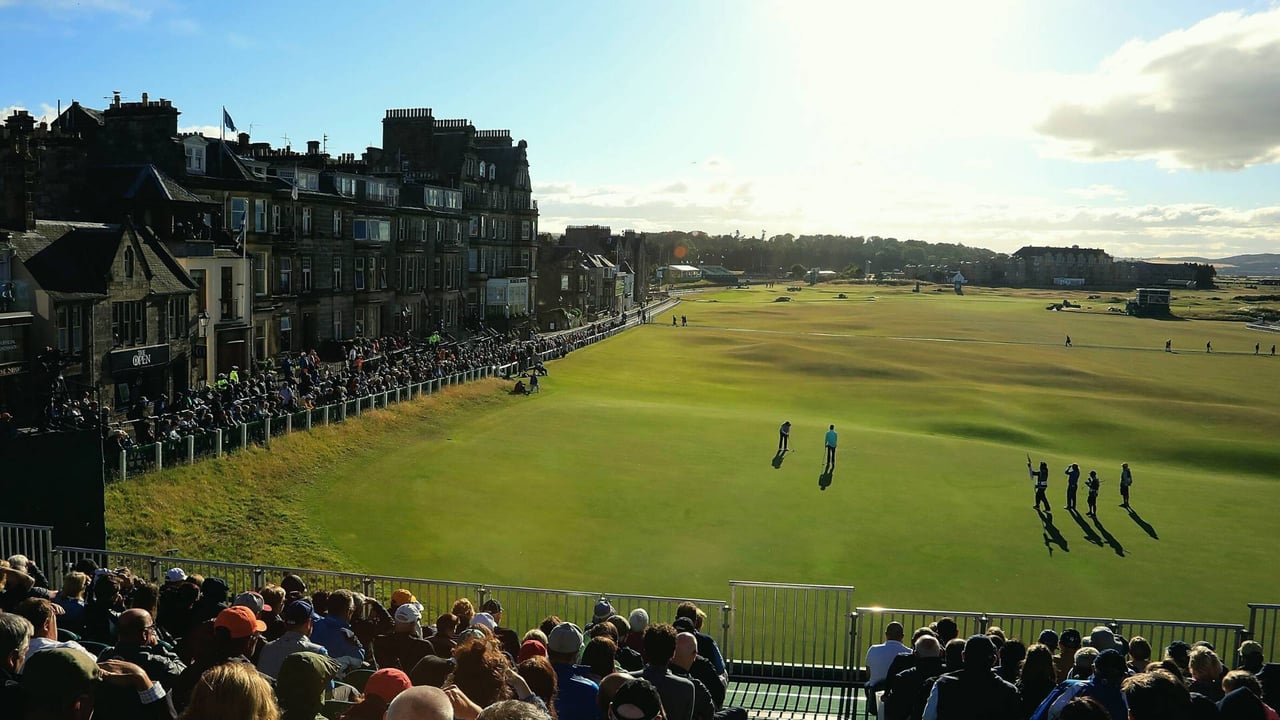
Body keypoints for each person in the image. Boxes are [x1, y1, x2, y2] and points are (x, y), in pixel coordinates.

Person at [921, 634, 1021, 720]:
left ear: (963, 656)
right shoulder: (1009, 691)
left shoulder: (943, 684)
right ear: (994, 660)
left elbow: (928, 717)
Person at [865, 622, 912, 696]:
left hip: (875, 690)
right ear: (902, 636)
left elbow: (868, 674)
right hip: (899, 693)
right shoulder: (909, 652)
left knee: (868, 685)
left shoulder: (873, 649)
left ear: (886, 634)